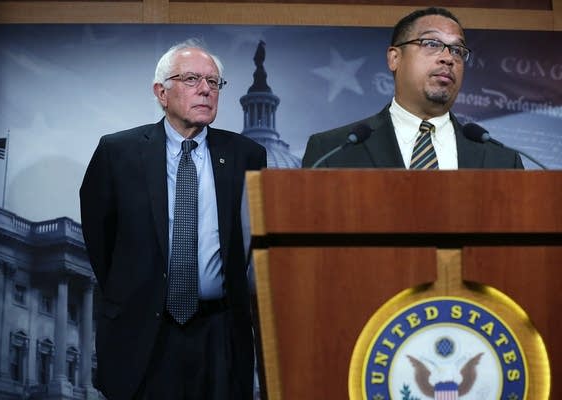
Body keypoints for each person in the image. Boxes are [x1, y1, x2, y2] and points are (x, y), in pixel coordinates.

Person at [80, 39, 267, 400]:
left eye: (214, 83)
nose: (205, 90)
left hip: (220, 334)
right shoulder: (117, 152)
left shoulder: (247, 154)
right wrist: (138, 292)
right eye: (192, 79)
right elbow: (99, 239)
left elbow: (252, 245)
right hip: (143, 333)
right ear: (161, 93)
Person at [302, 7, 523, 169]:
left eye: (457, 50)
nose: (448, 58)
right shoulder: (331, 151)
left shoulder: (503, 160)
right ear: (394, 58)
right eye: (432, 44)